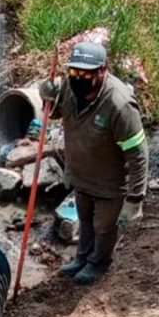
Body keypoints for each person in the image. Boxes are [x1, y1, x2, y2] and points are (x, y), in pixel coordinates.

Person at [41, 40, 148, 285]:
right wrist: (46, 95)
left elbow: (138, 154)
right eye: (74, 72)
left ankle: (99, 263)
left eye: (86, 73)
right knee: (85, 220)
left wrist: (135, 199)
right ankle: (82, 258)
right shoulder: (70, 86)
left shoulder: (119, 105)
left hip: (109, 184)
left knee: (103, 227)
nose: (78, 78)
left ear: (103, 70)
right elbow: (57, 112)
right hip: (80, 175)